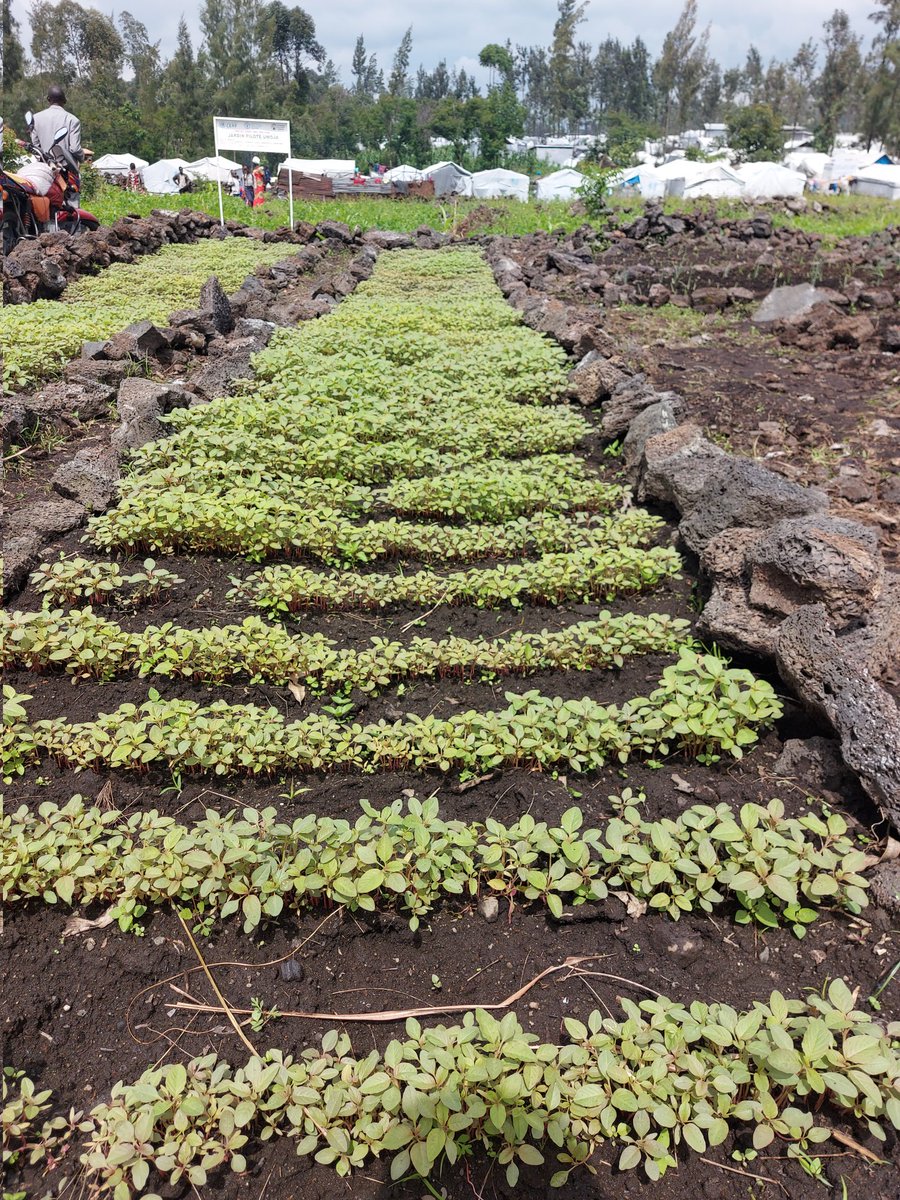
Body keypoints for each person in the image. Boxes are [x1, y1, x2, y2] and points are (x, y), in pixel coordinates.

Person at [32, 86, 86, 163]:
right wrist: (83, 158)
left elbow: (36, 147)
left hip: (44, 164)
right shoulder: (72, 120)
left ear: (48, 99)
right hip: (64, 166)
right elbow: (75, 149)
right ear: (64, 101)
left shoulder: (35, 118)